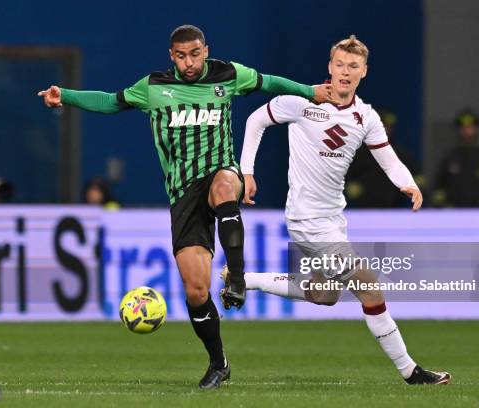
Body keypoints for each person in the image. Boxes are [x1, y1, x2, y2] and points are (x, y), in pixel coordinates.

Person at [38, 25, 332, 389]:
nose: (189, 62)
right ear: (171, 56)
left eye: (195, 54)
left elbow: (268, 82)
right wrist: (65, 95)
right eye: (181, 56)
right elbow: (111, 102)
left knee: (226, 186)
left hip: (220, 172)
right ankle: (219, 362)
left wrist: (311, 92)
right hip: (182, 195)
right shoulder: (153, 87)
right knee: (195, 290)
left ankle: (237, 277)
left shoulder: (229, 75)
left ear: (205, 50)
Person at [223, 35, 450, 385]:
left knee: (326, 294)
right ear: (330, 67)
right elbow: (256, 121)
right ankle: (409, 370)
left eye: (353, 66)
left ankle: (244, 279)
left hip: (333, 220)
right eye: (340, 64)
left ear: (364, 72)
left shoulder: (366, 117)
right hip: (306, 219)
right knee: (368, 285)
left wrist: (408, 184)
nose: (345, 72)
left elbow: (388, 160)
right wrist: (246, 171)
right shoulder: (302, 101)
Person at [346, 109, 424, 207]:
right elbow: (346, 175)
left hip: (393, 206)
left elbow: (417, 175)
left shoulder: (399, 152)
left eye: (388, 127)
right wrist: (349, 185)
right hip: (365, 206)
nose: (386, 130)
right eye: (382, 126)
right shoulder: (359, 153)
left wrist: (415, 184)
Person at [432, 110, 479, 207]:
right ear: (459, 130)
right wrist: (442, 204)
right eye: (464, 128)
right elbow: (438, 187)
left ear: (477, 129)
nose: (467, 132)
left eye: (471, 128)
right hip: (454, 212)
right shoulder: (449, 157)